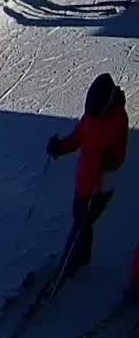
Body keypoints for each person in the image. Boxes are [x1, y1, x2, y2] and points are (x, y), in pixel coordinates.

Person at [46, 74, 128, 280]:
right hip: (84, 180)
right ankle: (81, 256)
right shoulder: (91, 116)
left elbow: (120, 154)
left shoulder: (119, 118)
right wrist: (59, 148)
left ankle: (71, 262)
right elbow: (78, 138)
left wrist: (112, 161)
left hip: (102, 186)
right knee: (81, 221)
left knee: (82, 223)